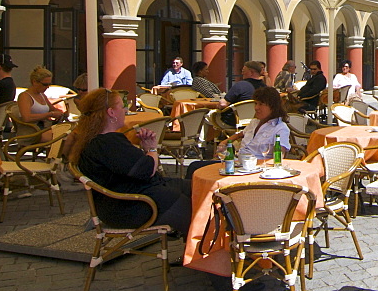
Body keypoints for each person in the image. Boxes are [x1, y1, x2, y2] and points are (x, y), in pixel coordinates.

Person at [70, 88, 197, 240]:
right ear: (111, 112)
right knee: (202, 211)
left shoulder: (95, 140)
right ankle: (201, 252)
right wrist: (151, 148)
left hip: (122, 201)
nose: (125, 109)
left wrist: (146, 150)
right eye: (121, 106)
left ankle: (193, 251)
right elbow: (148, 169)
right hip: (134, 206)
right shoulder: (107, 143)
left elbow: (132, 168)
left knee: (199, 188)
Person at [216, 86, 290, 160]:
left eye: (261, 104)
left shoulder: (280, 128)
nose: (256, 107)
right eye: (256, 103)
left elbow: (278, 159)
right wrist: (224, 142)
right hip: (238, 162)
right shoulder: (254, 123)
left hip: (257, 166)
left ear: (273, 107)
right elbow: (239, 135)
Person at [17, 66, 68, 140]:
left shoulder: (42, 95)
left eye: (49, 84)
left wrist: (61, 113)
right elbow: (26, 118)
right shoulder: (25, 96)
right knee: (64, 137)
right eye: (45, 84)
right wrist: (49, 114)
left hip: (44, 128)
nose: (47, 87)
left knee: (71, 134)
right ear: (34, 82)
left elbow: (53, 110)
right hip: (32, 132)